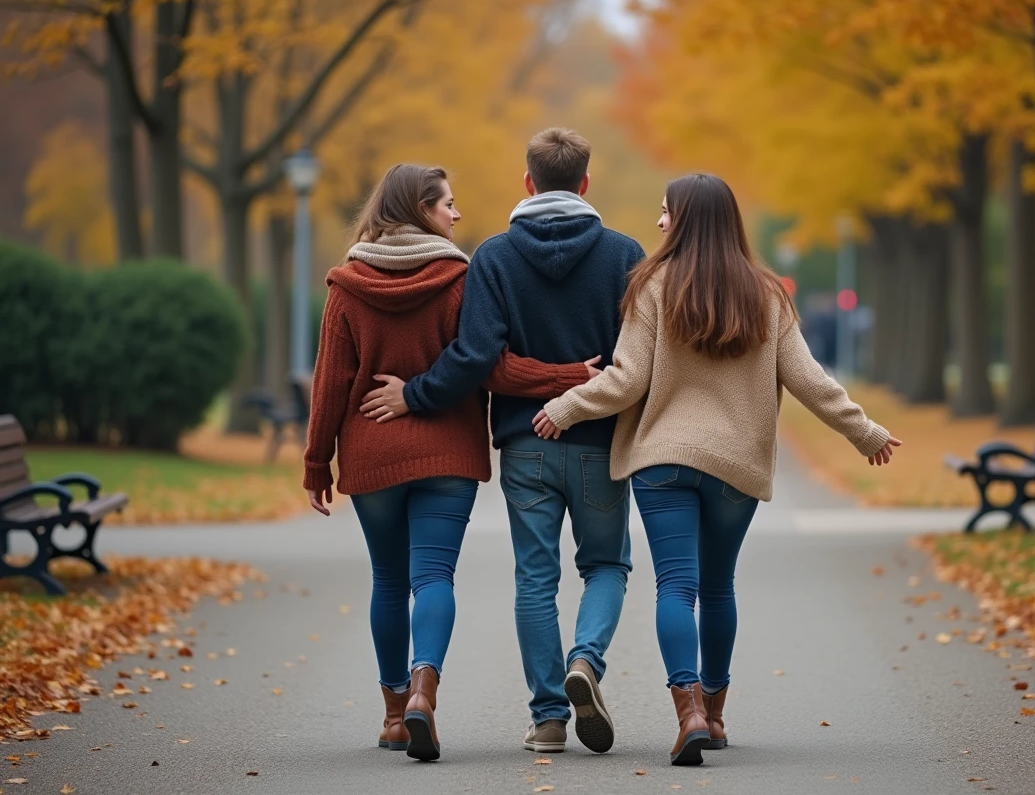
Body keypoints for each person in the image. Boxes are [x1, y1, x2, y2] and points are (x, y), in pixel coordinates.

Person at [533, 174, 902, 766]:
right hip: (736, 466)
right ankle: (716, 712)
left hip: (663, 462)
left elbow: (626, 380)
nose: (659, 222)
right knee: (718, 585)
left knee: (676, 586)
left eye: (666, 212)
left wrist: (564, 407)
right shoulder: (766, 294)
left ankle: (690, 716)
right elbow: (808, 378)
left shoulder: (651, 285)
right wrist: (865, 432)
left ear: (685, 219)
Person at [362, 129, 645, 755]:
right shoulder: (625, 254)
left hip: (525, 443)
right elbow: (639, 361)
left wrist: (415, 394)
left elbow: (477, 358)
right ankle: (585, 662)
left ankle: (548, 719)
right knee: (606, 565)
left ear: (527, 182)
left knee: (534, 578)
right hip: (599, 444)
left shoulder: (493, 257)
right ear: (585, 183)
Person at [303, 163, 596, 762]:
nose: (456, 214)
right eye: (447, 205)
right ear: (420, 210)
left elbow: (329, 384)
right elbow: (491, 365)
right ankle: (424, 692)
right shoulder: (460, 279)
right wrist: (570, 376)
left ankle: (394, 715)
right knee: (433, 577)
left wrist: (316, 464)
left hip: (372, 454)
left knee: (389, 581)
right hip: (447, 456)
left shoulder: (346, 286)